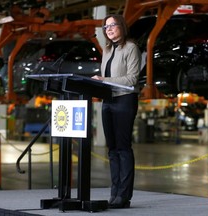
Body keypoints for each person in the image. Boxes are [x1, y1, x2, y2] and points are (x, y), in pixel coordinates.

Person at [91, 14, 141, 208]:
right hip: (108, 100)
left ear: (122, 26)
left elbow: (131, 79)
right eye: (106, 27)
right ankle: (114, 192)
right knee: (112, 149)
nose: (109, 29)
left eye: (113, 25)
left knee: (123, 147)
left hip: (125, 100)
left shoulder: (131, 48)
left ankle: (124, 195)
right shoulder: (107, 49)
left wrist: (103, 80)